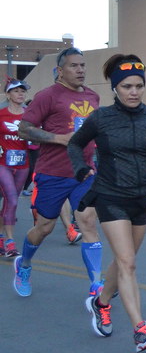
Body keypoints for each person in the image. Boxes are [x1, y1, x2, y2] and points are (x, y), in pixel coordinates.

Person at [69, 54, 146, 352]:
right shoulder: (101, 118)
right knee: (128, 262)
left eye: (139, 86)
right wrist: (81, 169)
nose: (134, 92)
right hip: (111, 197)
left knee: (122, 260)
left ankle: (101, 302)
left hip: (144, 198)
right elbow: (76, 143)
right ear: (115, 88)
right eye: (127, 86)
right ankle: (141, 329)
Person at [15, 47, 103, 298]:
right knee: (44, 227)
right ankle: (25, 264)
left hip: (84, 173)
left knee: (87, 221)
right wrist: (59, 138)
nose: (80, 70)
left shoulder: (93, 97)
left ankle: (96, 284)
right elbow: (24, 129)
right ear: (60, 70)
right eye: (74, 66)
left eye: (83, 65)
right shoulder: (48, 96)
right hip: (52, 172)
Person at [0, 79, 31, 257]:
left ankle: (1, 238)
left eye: (23, 91)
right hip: (3, 163)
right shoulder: (1, 114)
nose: (20, 94)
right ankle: (10, 242)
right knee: (11, 199)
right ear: (8, 94)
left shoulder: (30, 115)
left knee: (10, 202)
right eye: (16, 91)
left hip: (22, 164)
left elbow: (36, 138)